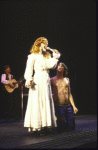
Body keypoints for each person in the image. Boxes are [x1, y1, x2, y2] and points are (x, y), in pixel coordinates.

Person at [24, 37, 61, 133]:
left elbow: (51, 66)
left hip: (45, 79)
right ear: (39, 44)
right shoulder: (32, 56)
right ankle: (37, 127)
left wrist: (55, 56)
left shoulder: (46, 56)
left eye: (47, 44)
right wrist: (29, 79)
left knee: (46, 101)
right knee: (37, 102)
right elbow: (28, 71)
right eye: (45, 43)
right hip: (37, 81)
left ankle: (46, 125)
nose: (46, 46)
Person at [51, 62, 78, 132]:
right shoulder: (52, 80)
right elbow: (47, 92)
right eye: (59, 65)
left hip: (68, 106)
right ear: (56, 68)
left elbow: (69, 94)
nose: (60, 66)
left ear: (64, 69)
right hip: (59, 106)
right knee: (61, 128)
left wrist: (74, 106)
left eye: (62, 66)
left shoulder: (67, 80)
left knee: (71, 127)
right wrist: (52, 96)